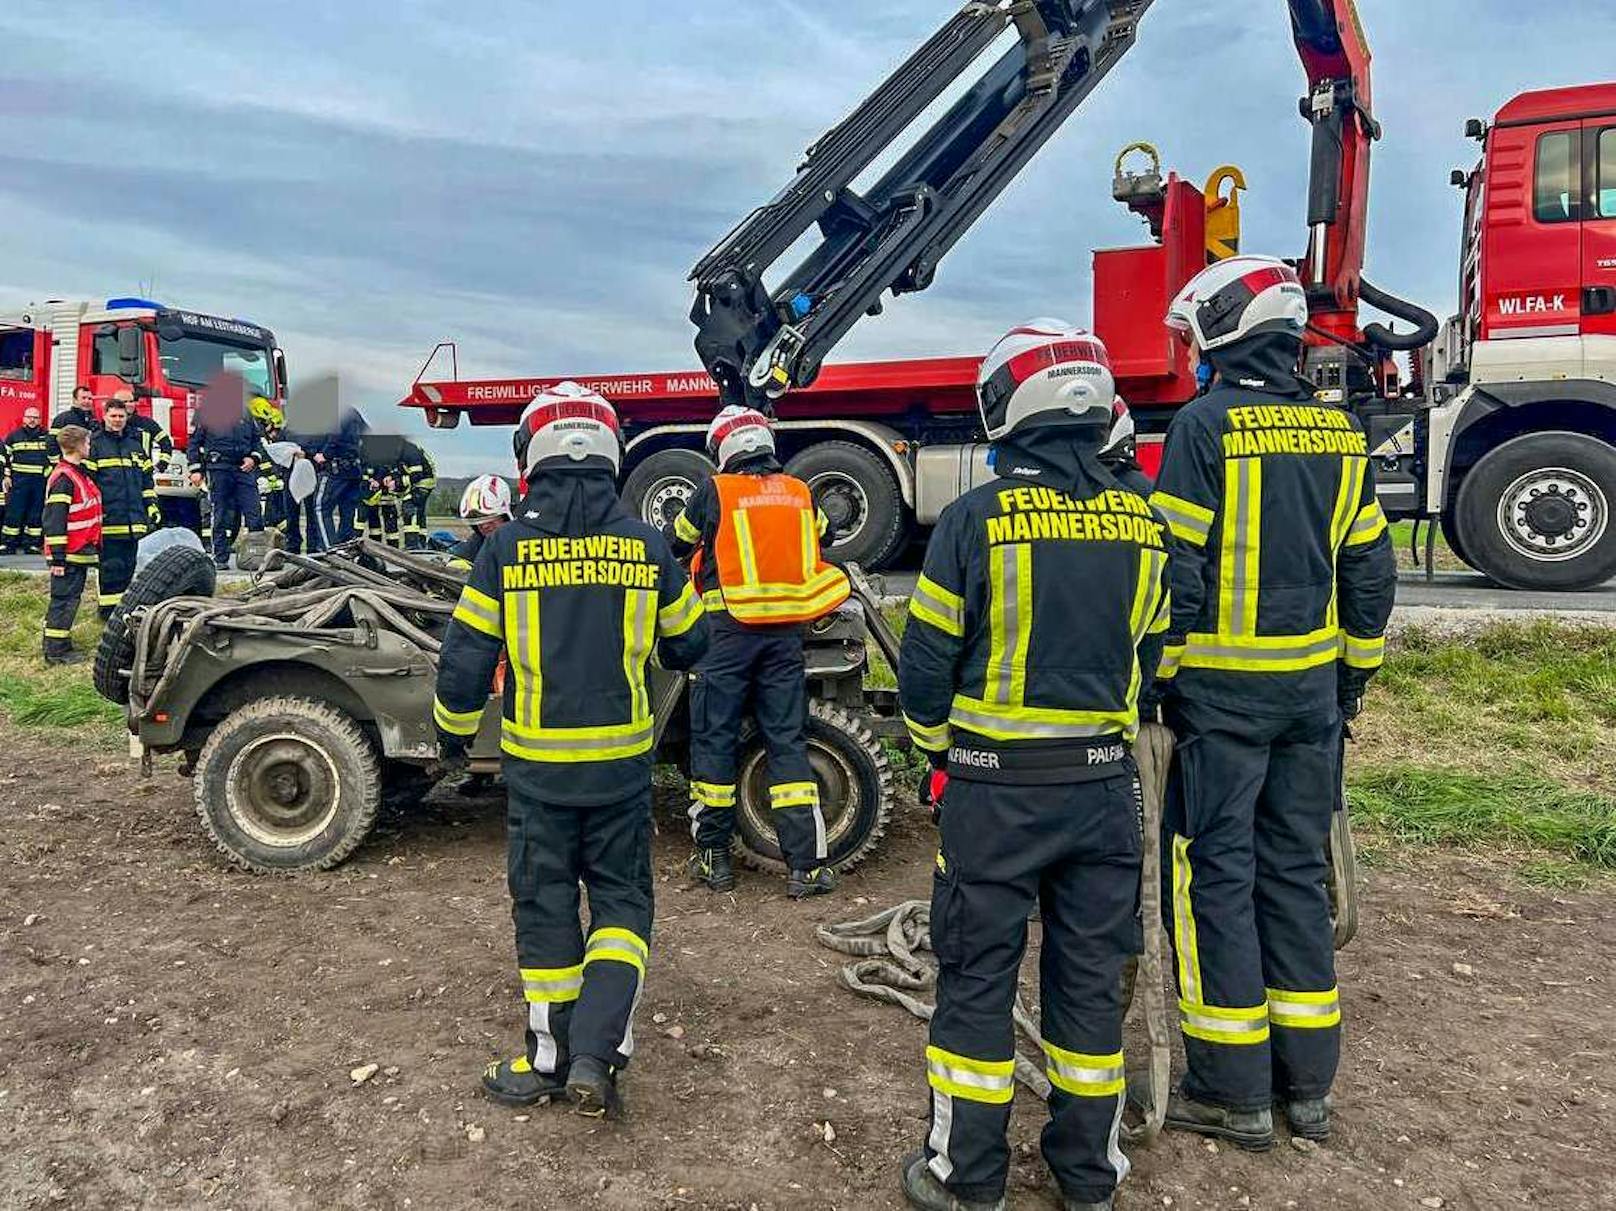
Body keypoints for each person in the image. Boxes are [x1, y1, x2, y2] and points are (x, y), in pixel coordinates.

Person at [895, 323, 1170, 1211]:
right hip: (1103, 792)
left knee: (977, 979)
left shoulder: (974, 519)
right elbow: (1151, 655)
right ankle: (1089, 1174)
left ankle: (965, 1175)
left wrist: (935, 754)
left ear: (1007, 408)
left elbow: (927, 663)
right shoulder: (1145, 520)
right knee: (1090, 987)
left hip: (995, 793)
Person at [1149, 256, 1397, 1149]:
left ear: (1223, 326)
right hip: (1309, 703)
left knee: (1213, 875)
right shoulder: (1337, 435)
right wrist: (1351, 676)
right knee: (1296, 874)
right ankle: (1308, 1088)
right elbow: (1370, 567)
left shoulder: (1203, 427)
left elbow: (1176, 564)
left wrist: (1159, 677)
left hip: (1220, 704)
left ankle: (1231, 1089)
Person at [431, 383, 709, 1119]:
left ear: (531, 457)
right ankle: (597, 1050)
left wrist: (452, 736)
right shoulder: (647, 548)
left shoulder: (505, 550)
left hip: (539, 778)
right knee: (621, 904)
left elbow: (463, 661)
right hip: (619, 771)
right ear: (612, 454)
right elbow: (692, 642)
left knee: (546, 907)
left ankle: (550, 1059)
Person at [668, 405, 849, 900]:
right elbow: (824, 537)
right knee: (786, 743)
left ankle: (715, 860)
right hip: (784, 641)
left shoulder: (716, 491)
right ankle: (807, 868)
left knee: (715, 742)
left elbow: (676, 543)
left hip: (725, 639)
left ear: (723, 449)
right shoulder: (798, 492)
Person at [85, 396, 156, 614]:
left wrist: (151, 506)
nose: (117, 420)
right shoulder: (95, 445)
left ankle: (125, 613)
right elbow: (88, 484)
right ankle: (107, 614)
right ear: (104, 416)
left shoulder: (134, 445)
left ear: (127, 417)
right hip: (108, 520)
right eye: (113, 416)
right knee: (110, 569)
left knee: (129, 569)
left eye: (121, 416)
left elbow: (146, 480)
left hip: (134, 522)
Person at [41, 425, 101, 665]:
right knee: (63, 600)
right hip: (67, 553)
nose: (89, 446)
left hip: (76, 551)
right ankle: (56, 651)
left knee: (69, 600)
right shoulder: (65, 477)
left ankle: (59, 644)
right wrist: (57, 558)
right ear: (77, 445)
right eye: (87, 443)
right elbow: (55, 519)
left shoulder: (77, 472)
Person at [189, 397, 269, 570]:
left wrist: (254, 458)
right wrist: (196, 470)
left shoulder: (246, 413)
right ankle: (220, 557)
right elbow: (194, 443)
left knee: (254, 512)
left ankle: (255, 558)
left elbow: (257, 441)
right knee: (221, 513)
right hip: (219, 469)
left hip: (244, 470)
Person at [308, 405, 368, 551]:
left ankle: (330, 549)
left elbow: (334, 437)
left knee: (320, 507)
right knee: (348, 510)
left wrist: (324, 454)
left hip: (335, 469)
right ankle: (345, 547)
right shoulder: (352, 412)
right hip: (354, 469)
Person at [2, 406, 51, 554]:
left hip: (39, 482)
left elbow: (52, 459)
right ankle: (8, 544)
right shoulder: (13, 436)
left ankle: (32, 544)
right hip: (19, 481)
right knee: (14, 512)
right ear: (24, 418)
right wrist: (7, 476)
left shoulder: (47, 437)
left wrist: (47, 475)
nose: (32, 420)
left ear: (39, 420)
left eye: (35, 417)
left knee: (35, 513)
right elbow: (6, 459)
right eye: (29, 417)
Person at [451, 474, 513, 567]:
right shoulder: (478, 541)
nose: (484, 526)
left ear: (504, 516)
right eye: (477, 522)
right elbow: (462, 556)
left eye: (489, 518)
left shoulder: (524, 540)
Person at [401, 438, 438, 548]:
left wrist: (400, 481)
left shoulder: (410, 452)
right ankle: (421, 544)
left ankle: (412, 545)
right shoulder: (408, 450)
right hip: (425, 484)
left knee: (409, 506)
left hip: (423, 484)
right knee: (420, 515)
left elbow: (417, 475)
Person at [50, 384, 99, 450]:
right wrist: (57, 459)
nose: (87, 401)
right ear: (74, 400)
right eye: (83, 398)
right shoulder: (63, 419)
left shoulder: (94, 420)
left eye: (90, 399)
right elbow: (51, 442)